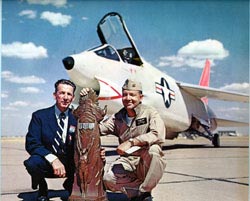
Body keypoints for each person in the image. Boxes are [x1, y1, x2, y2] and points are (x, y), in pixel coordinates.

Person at [81, 79, 167, 201]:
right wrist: (87, 104)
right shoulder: (118, 117)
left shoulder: (150, 112)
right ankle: (140, 193)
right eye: (125, 94)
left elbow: (157, 135)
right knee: (108, 178)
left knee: (154, 151)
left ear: (140, 97)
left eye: (132, 94)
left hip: (143, 160)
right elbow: (98, 129)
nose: (128, 98)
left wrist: (132, 142)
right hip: (127, 160)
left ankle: (145, 191)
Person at [24, 79, 105, 201]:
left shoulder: (78, 117)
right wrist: (53, 159)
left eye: (69, 94)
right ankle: (42, 187)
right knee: (32, 163)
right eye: (62, 93)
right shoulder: (39, 116)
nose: (65, 97)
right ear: (54, 95)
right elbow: (32, 143)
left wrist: (98, 152)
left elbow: (88, 138)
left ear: (73, 98)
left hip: (71, 162)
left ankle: (70, 183)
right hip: (48, 162)